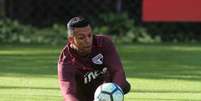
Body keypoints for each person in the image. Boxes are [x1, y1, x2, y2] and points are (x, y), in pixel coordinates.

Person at [58, 16, 131, 101]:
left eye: (89, 35)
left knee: (124, 85)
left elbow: (118, 70)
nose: (88, 40)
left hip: (106, 88)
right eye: (82, 38)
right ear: (71, 40)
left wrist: (114, 92)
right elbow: (68, 93)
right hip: (83, 96)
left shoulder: (104, 43)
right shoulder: (66, 61)